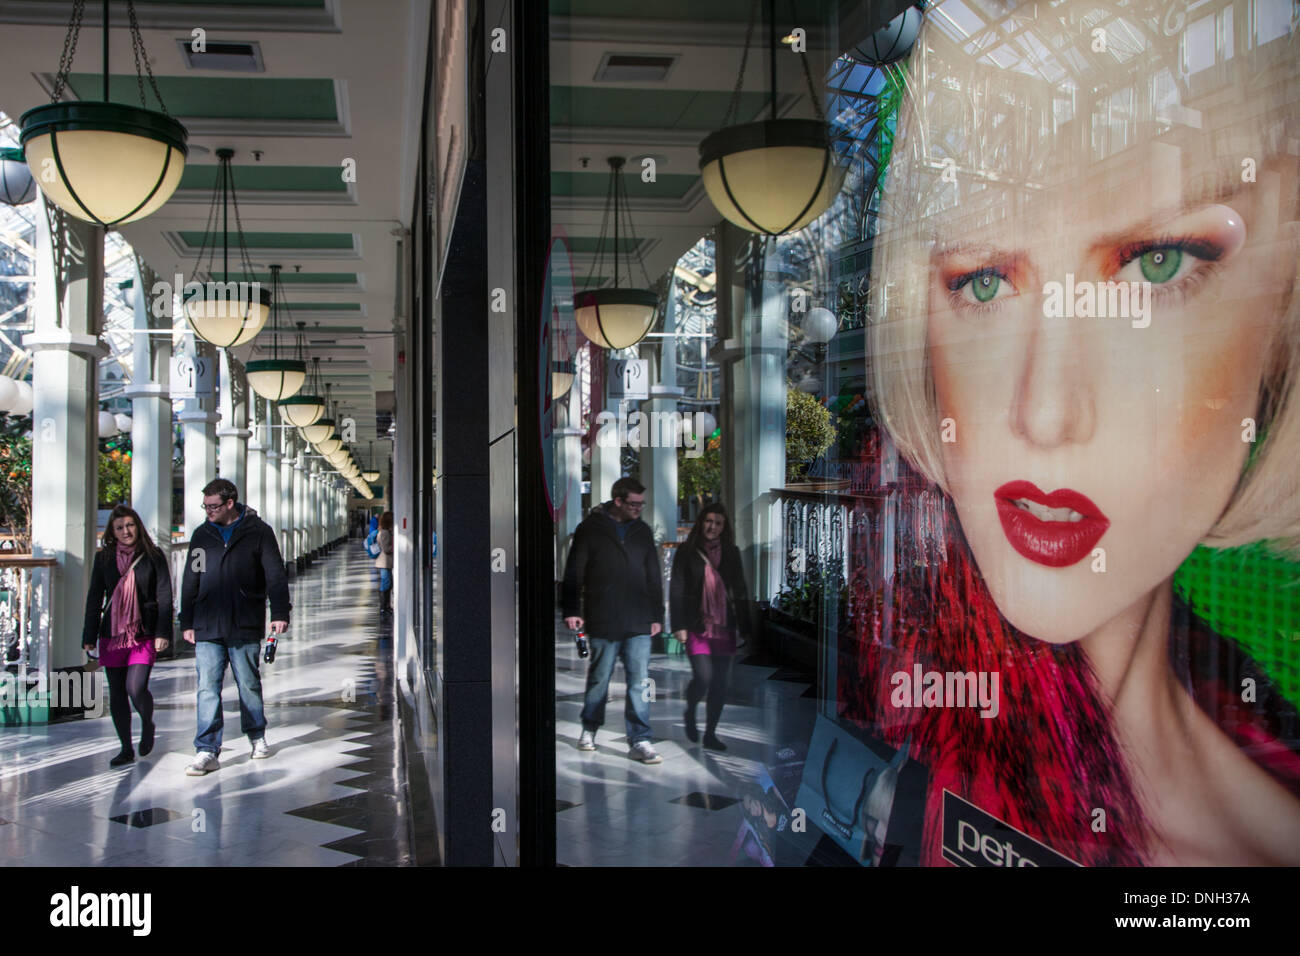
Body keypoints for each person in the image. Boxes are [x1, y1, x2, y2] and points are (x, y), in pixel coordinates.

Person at [859, 0, 1300, 864]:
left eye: (1157, 263)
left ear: (1281, 303)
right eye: (983, 282)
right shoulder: (915, 744)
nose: (1046, 411)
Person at [179, 478, 291, 775]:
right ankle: (206, 749)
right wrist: (186, 619)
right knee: (207, 688)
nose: (208, 512)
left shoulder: (259, 533)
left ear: (230, 503)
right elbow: (192, 577)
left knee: (248, 683)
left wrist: (280, 611)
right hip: (207, 623)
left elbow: (275, 575)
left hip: (244, 621)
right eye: (205, 506)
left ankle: (256, 735)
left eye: (213, 506)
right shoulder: (202, 535)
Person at [562, 476, 665, 763]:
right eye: (633, 504)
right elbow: (574, 571)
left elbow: (653, 576)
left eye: (641, 505)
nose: (638, 509)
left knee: (639, 681)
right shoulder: (589, 530)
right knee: (599, 678)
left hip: (639, 620)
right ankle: (589, 728)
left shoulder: (642, 532)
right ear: (617, 501)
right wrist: (571, 609)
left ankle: (641, 739)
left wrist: (657, 615)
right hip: (603, 617)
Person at [81, 506, 172, 768]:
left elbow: (164, 596)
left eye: (130, 525)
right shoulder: (104, 559)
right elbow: (94, 598)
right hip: (111, 634)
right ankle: (125, 748)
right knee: (118, 694)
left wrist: (163, 633)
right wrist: (88, 635)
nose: (125, 531)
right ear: (112, 531)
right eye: (119, 527)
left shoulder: (153, 556)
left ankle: (147, 722)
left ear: (138, 526)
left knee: (136, 687)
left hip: (143, 633)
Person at [670, 503, 749, 751]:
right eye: (708, 521)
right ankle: (690, 710)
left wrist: (746, 627)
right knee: (704, 677)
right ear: (701, 522)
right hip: (696, 624)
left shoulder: (732, 552)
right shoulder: (686, 551)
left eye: (718, 523)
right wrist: (678, 625)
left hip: (724, 626)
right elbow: (677, 589)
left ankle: (711, 733)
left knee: (720, 684)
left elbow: (740, 588)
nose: (712, 527)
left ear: (723, 527)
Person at [375, 511, 394, 615]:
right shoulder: (385, 533)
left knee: (388, 583)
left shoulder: (384, 531)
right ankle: (383, 607)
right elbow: (386, 549)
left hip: (386, 562)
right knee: (386, 583)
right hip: (384, 562)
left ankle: (386, 606)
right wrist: (395, 546)